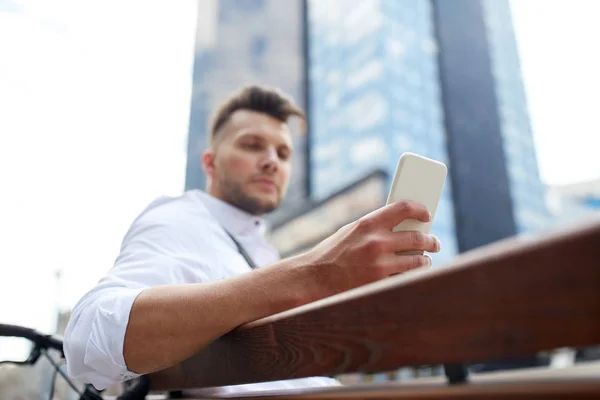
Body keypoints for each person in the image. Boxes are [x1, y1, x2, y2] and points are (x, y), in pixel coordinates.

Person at [63, 85, 441, 396]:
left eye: (283, 152)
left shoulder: (263, 251)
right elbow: (88, 337)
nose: (272, 161)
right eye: (252, 145)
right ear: (210, 163)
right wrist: (315, 274)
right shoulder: (183, 217)